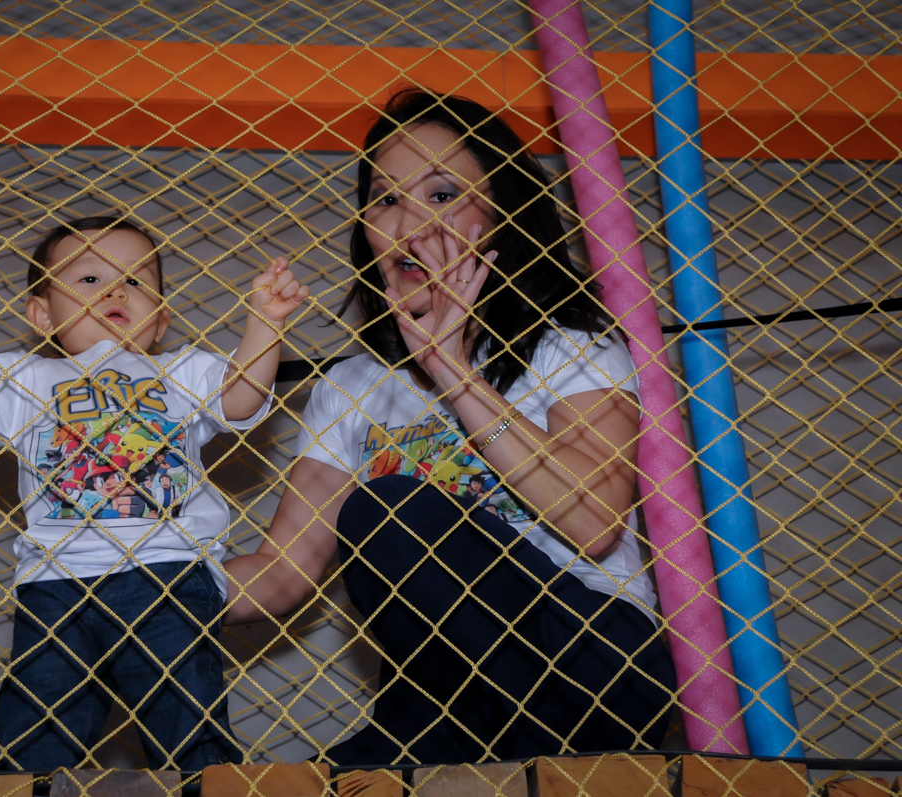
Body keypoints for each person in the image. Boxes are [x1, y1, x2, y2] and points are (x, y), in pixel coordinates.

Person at [223, 89, 676, 764]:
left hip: (590, 663)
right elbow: (282, 573)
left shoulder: (570, 343)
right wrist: (139, 573)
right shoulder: (349, 387)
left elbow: (594, 520)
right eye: (385, 199)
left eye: (441, 195)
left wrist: (453, 369)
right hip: (441, 697)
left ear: (500, 215)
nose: (410, 223)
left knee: (394, 512)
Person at [0, 215, 309, 770]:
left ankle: (208, 779)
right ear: (40, 314)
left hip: (167, 572)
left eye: (137, 280)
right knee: (38, 727)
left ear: (162, 319)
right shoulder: (26, 382)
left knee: (187, 724)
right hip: (56, 584)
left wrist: (265, 324)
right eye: (88, 279)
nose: (115, 289)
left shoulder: (183, 371)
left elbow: (241, 399)